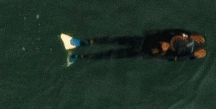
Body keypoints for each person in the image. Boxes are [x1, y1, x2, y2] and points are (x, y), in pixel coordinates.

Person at [60, 29, 207, 62]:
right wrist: (188, 34)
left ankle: (79, 57)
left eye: (173, 43)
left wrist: (192, 57)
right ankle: (81, 42)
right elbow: (173, 30)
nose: (171, 41)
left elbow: (177, 59)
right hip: (141, 40)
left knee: (111, 54)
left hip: (141, 52)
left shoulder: (172, 53)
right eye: (176, 38)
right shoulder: (182, 37)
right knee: (113, 40)